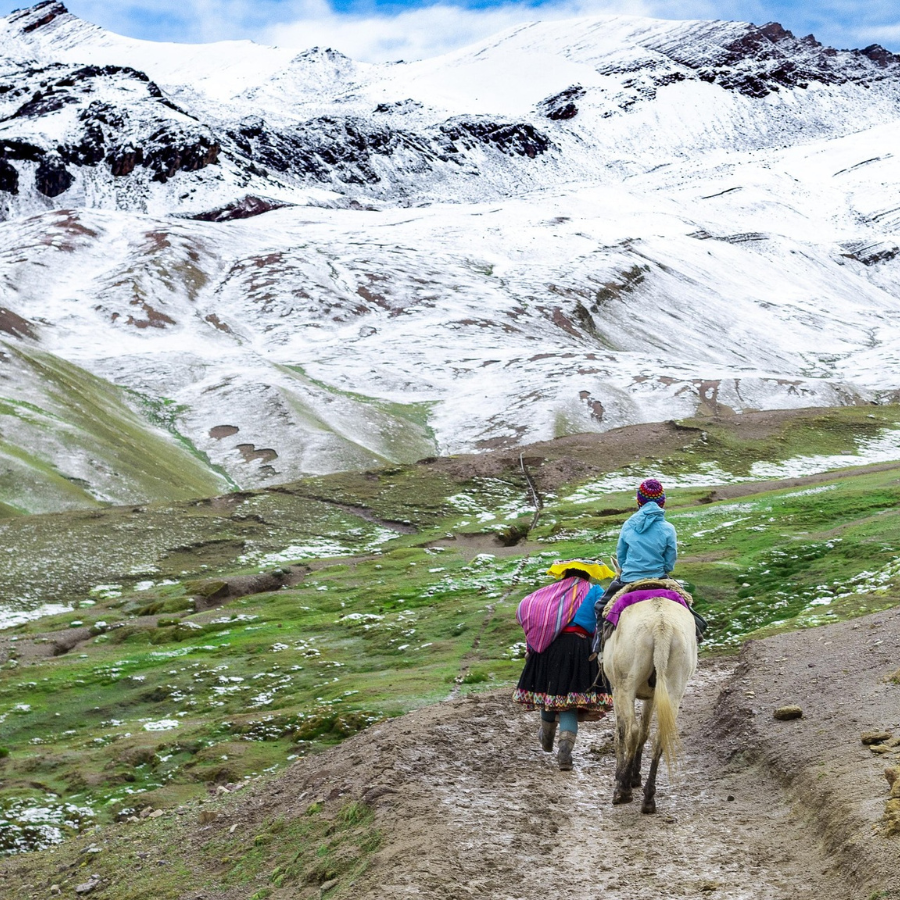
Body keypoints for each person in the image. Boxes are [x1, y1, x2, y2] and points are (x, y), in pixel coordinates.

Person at [512, 560, 613, 771]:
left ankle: (547, 737)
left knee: (550, 695)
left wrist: (532, 647)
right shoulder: (594, 591)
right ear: (588, 575)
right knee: (568, 703)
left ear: (564, 574)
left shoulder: (550, 593)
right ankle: (565, 754)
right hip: (579, 649)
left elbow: (530, 610)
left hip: (548, 647)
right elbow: (603, 620)